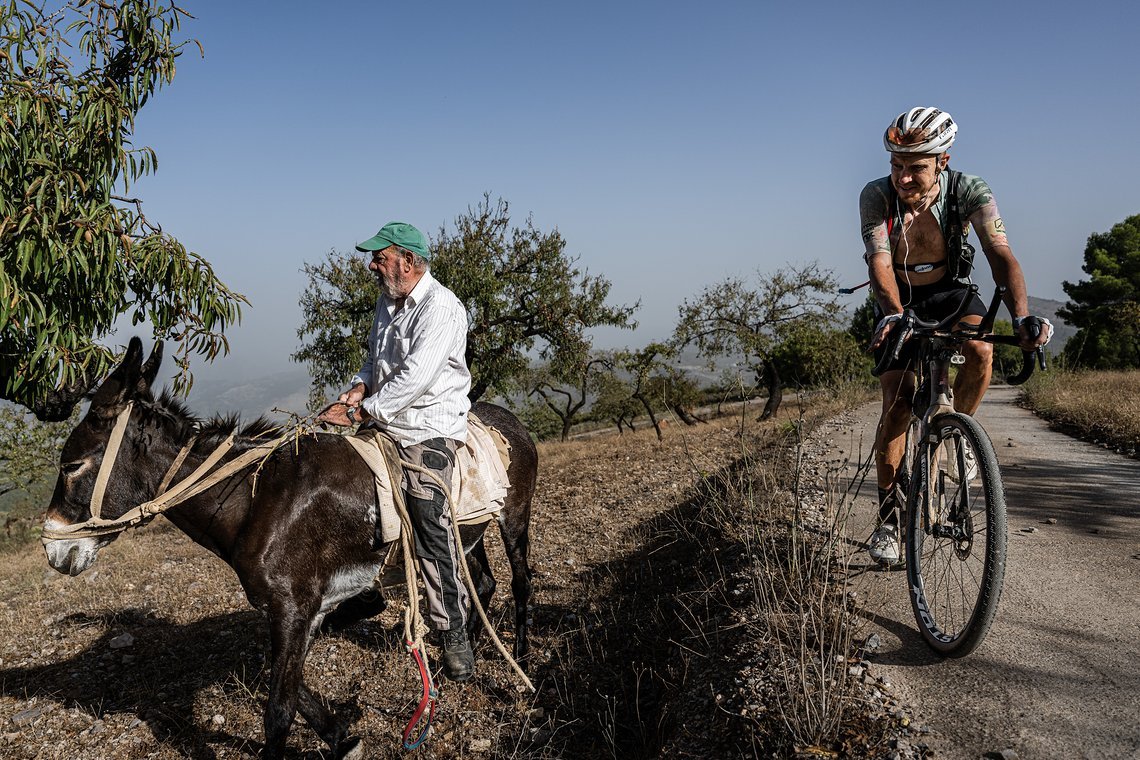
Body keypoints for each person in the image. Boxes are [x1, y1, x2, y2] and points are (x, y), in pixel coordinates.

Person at [860, 106, 1052, 565]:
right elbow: (879, 262)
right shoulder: (876, 196)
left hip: (952, 293)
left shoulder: (969, 190)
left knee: (981, 348)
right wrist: (893, 314)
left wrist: (1022, 317)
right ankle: (888, 520)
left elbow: (999, 252)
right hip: (899, 298)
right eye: (896, 166)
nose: (903, 178)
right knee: (898, 401)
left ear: (942, 161)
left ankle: (957, 433)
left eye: (916, 168)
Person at [317, 221, 475, 681]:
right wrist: (356, 390)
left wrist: (363, 412)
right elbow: (374, 361)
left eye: (379, 257)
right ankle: (361, 591)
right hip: (383, 418)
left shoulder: (442, 308)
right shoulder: (387, 302)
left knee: (427, 511)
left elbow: (417, 378)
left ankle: (453, 629)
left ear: (406, 261)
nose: (371, 264)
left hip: (428, 425)